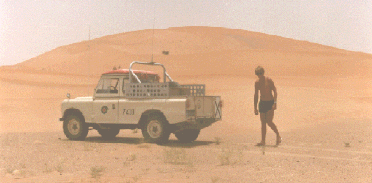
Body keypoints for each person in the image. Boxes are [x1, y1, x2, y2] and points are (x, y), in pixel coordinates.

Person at [254, 66, 281, 146]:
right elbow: (256, 95)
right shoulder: (257, 82)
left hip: (270, 102)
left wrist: (275, 103)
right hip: (262, 103)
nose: (259, 75)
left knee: (269, 121)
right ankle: (263, 141)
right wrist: (255, 107)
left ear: (263, 73)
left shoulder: (268, 80)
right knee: (263, 123)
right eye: (258, 74)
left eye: (260, 73)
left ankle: (278, 135)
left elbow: (275, 91)